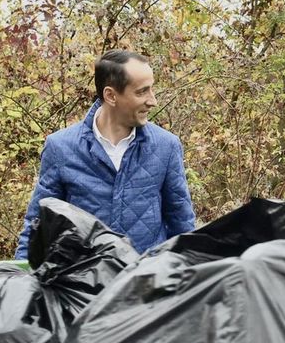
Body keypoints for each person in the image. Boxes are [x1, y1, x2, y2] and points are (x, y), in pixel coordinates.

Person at [14, 50, 196, 258]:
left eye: (151, 89)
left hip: (146, 276)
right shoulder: (61, 147)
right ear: (111, 96)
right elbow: (36, 225)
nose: (152, 100)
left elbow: (182, 225)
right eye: (141, 92)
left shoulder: (166, 146)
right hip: (83, 276)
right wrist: (21, 272)